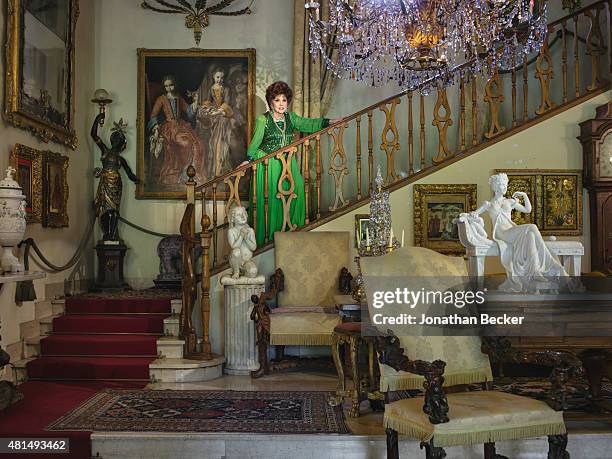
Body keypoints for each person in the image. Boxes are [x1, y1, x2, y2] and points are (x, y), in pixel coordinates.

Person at [245, 81, 342, 245]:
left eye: (284, 100)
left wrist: (329, 121)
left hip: (288, 163)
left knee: (297, 189)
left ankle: (292, 233)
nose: (281, 104)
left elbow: (308, 124)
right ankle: (268, 240)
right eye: (277, 100)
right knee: (271, 199)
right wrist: (248, 160)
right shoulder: (263, 120)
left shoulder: (291, 118)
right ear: (270, 101)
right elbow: (254, 145)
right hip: (268, 165)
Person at [471, 173, 577, 293]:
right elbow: (474, 214)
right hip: (502, 233)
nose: (504, 187)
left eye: (505, 184)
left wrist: (524, 195)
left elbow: (528, 209)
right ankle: (551, 264)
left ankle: (535, 271)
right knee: (531, 227)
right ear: (495, 187)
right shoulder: (488, 204)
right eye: (501, 184)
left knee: (531, 235)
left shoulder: (509, 202)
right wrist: (471, 216)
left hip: (512, 230)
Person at [148, 75, 205, 186]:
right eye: (166, 86)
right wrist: (155, 129)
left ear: (174, 85)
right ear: (164, 87)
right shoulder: (161, 99)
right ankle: (183, 172)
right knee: (185, 143)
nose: (169, 88)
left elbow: (188, 112)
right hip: (169, 128)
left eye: (171, 85)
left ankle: (190, 172)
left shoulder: (178, 97)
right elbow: (153, 115)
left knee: (198, 143)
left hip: (181, 126)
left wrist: (195, 103)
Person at [91, 112, 139, 241]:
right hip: (105, 182)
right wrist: (97, 119)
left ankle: (112, 234)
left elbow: (130, 174)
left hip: (116, 185)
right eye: (116, 139)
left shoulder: (120, 159)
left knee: (114, 210)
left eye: (120, 140)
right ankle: (108, 233)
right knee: (105, 209)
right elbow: (94, 135)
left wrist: (140, 182)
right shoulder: (105, 151)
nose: (118, 142)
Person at [196, 68, 234, 180]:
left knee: (220, 144)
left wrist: (218, 111)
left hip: (223, 116)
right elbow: (208, 101)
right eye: (218, 77)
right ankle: (212, 170)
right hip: (214, 117)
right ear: (213, 77)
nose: (219, 80)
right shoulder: (211, 89)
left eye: (222, 78)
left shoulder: (226, 89)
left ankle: (219, 170)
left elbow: (227, 102)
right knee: (212, 143)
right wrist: (206, 108)